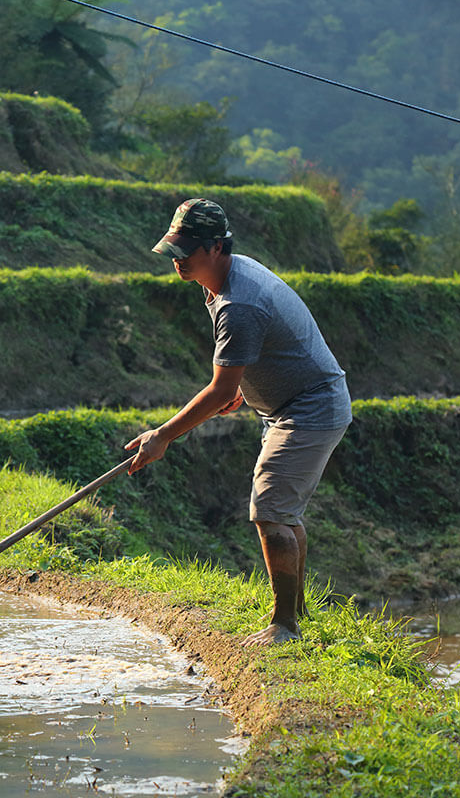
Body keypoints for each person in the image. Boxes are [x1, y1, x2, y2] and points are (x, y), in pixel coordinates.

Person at [125, 198, 352, 646]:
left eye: (185, 251)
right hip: (294, 403)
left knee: (269, 512)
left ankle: (284, 626)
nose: (177, 261)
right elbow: (243, 371)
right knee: (284, 512)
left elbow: (220, 389)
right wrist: (241, 392)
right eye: (172, 250)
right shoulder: (223, 279)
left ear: (215, 246)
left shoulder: (238, 303)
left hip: (308, 408)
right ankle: (296, 611)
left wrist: (161, 436)